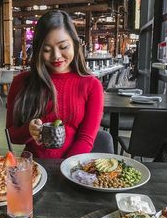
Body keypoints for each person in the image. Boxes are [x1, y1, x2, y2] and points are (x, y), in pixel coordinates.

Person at [6, 9, 104, 159]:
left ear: (75, 45)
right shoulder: (21, 82)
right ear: (38, 50)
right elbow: (11, 135)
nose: (56, 56)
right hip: (33, 168)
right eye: (46, 49)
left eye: (63, 47)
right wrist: (28, 131)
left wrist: (64, 169)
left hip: (71, 167)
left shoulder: (91, 85)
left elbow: (85, 140)